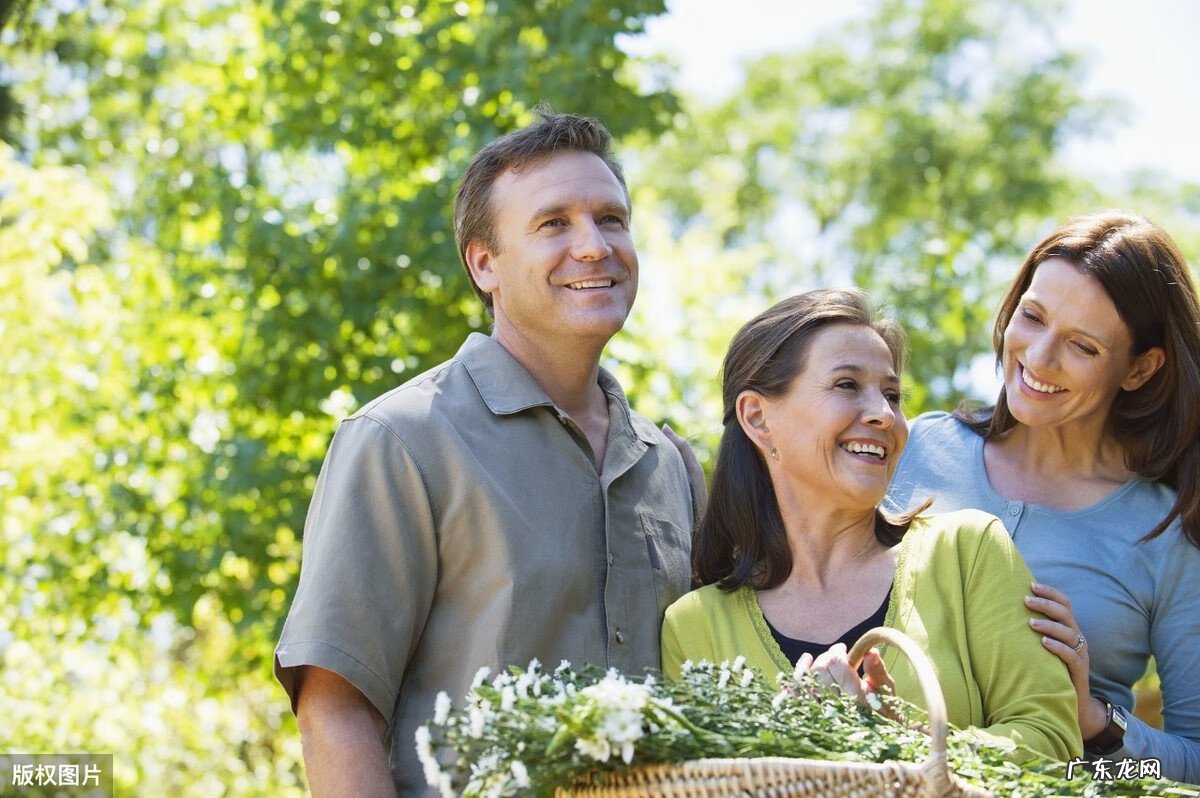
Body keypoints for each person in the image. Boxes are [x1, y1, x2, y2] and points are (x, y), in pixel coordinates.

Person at [274, 112, 694, 796]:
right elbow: (334, 713)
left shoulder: (666, 465)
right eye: (553, 223)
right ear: (484, 264)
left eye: (611, 220)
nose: (594, 246)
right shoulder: (401, 439)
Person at [661, 289, 1081, 762]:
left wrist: (895, 743)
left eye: (892, 395)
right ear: (758, 418)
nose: (884, 414)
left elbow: (1053, 743)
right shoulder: (694, 627)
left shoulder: (967, 552)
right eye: (846, 385)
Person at [888, 210, 1200, 783]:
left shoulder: (1167, 533)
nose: (1038, 357)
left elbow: (1195, 771)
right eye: (1032, 317)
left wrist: (1095, 724)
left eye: (1082, 346)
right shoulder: (916, 448)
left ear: (1139, 369)